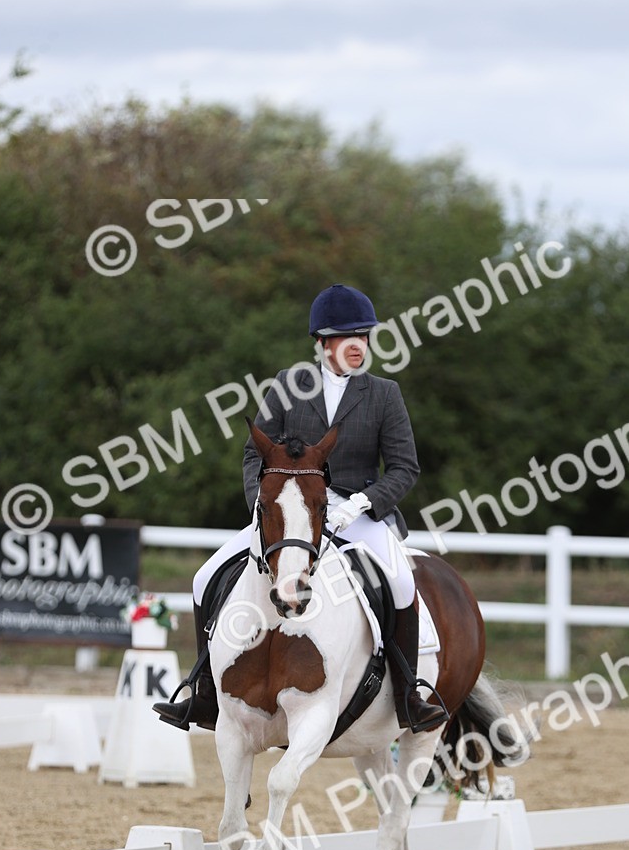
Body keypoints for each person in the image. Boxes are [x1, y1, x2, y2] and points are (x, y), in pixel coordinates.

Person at [154, 283, 446, 734]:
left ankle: (408, 695)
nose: (359, 345)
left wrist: (365, 503)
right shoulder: (287, 387)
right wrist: (263, 504)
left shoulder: (384, 394)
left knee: (401, 582)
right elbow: (256, 454)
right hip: (290, 514)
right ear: (322, 343)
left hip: (357, 514)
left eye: (364, 336)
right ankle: (206, 695)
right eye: (349, 337)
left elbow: (405, 467)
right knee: (203, 577)